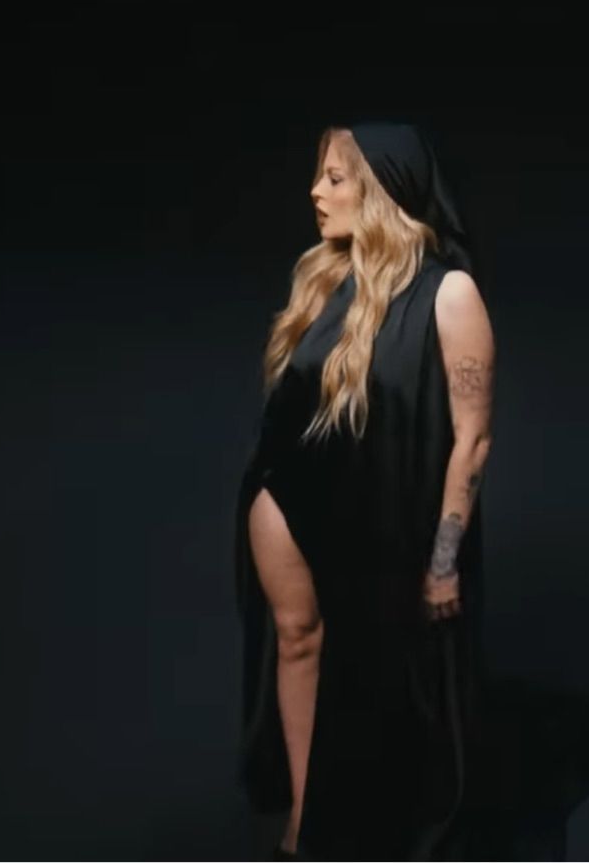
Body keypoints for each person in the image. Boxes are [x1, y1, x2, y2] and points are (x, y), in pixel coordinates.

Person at [232, 121, 495, 860]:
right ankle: (303, 816)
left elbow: (473, 436)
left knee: (380, 670)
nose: (316, 192)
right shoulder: (321, 279)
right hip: (285, 498)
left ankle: (367, 815)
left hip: (380, 521)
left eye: (335, 178)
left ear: (383, 190)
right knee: (297, 642)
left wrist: (443, 559)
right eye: (319, 176)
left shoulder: (449, 293)